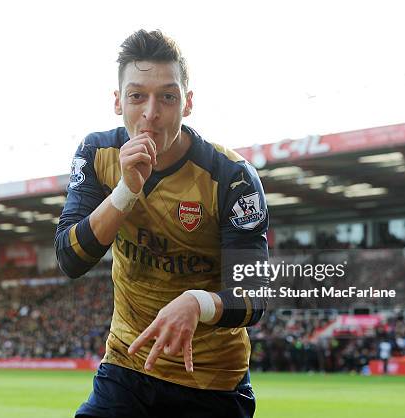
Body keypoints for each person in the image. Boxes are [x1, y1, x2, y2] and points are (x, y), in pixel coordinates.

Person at [55, 29, 269, 418]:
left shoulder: (231, 177)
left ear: (187, 103)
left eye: (167, 97)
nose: (150, 113)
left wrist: (197, 302)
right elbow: (70, 258)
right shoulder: (98, 153)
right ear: (118, 101)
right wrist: (125, 191)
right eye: (137, 96)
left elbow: (255, 295)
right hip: (127, 367)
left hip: (212, 381)